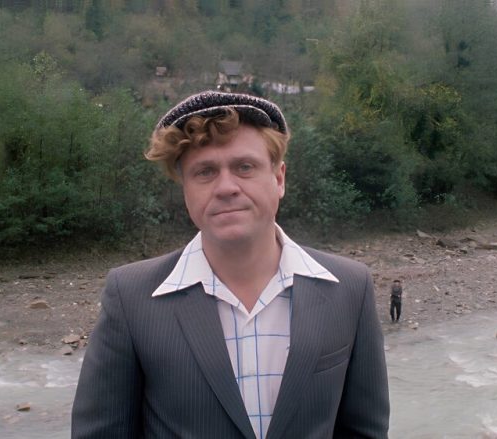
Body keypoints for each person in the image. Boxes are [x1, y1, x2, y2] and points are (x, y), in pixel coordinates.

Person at [71, 91, 389, 438]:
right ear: (186, 190)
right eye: (205, 172)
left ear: (279, 179)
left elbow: (364, 431)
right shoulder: (131, 297)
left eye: (244, 167)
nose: (226, 187)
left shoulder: (350, 288)